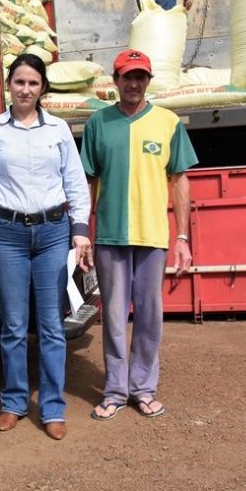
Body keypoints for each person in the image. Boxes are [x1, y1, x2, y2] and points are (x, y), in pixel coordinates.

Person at [0, 55, 92, 441]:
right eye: (19, 82)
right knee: (13, 325)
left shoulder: (58, 129)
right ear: (9, 85)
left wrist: (80, 230)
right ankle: (14, 401)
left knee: (52, 325)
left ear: (43, 89)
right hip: (7, 234)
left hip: (52, 232)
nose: (25, 89)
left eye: (33, 83)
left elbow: (75, 182)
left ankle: (53, 407)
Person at [79, 50, 198, 421]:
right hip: (110, 236)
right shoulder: (98, 123)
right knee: (114, 318)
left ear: (148, 81)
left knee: (149, 316)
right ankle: (115, 390)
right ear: (115, 81)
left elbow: (179, 181)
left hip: (153, 237)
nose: (134, 84)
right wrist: (83, 233)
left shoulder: (168, 122)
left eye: (140, 77)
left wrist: (183, 238)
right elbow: (88, 182)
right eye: (127, 76)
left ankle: (143, 389)